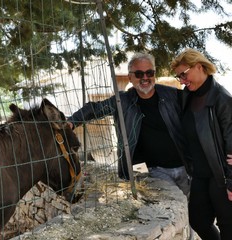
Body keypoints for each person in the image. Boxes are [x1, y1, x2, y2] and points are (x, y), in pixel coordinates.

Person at [68, 52, 192, 196]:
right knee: (172, 202)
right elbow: (94, 109)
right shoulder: (122, 101)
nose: (145, 78)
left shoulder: (172, 95)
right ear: (130, 77)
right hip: (153, 171)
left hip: (185, 166)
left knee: (192, 208)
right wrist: (71, 122)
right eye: (139, 74)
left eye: (149, 73)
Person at [171, 48, 232, 240]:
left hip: (220, 175)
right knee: (198, 220)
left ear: (199, 66)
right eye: (178, 76)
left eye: (184, 74)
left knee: (228, 226)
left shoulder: (222, 99)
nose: (181, 80)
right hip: (199, 174)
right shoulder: (187, 96)